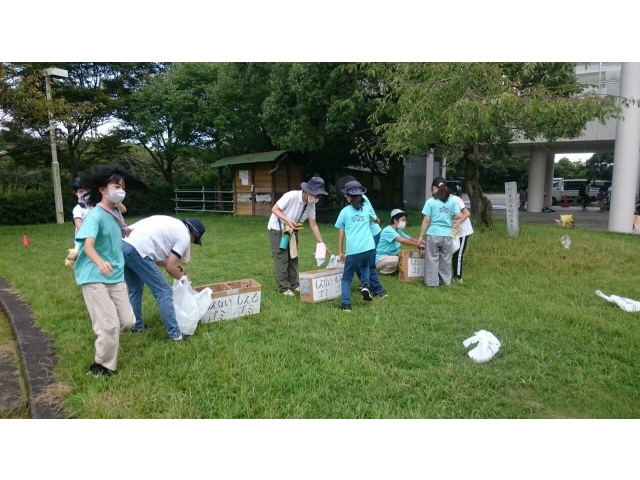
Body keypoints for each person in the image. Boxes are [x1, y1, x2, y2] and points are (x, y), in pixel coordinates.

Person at [74, 163, 149, 377]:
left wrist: (116, 198)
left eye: (123, 186)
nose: (121, 190)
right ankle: (101, 367)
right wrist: (99, 262)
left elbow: (121, 208)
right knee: (109, 325)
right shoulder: (95, 216)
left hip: (114, 274)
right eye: (116, 186)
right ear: (102, 189)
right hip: (94, 274)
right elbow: (87, 246)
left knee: (128, 321)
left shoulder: (115, 210)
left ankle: (107, 335)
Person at [122, 215, 206, 341]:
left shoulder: (174, 225)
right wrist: (181, 278)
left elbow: (155, 257)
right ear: (192, 235)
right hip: (138, 249)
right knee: (164, 292)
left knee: (135, 289)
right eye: (193, 241)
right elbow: (170, 268)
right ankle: (176, 335)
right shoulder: (184, 235)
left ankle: (137, 326)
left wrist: (172, 266)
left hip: (123, 245)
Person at [267, 177, 331, 296]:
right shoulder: (291, 196)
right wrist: (287, 220)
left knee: (293, 256)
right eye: (316, 195)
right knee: (282, 257)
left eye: (318, 196)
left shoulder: (311, 205)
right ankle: (284, 287)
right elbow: (274, 209)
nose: (317, 198)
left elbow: (313, 224)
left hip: (292, 230)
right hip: (278, 228)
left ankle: (293, 284)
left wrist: (321, 242)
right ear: (307, 192)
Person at [335, 180, 387, 312]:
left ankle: (346, 304)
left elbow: (341, 234)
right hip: (369, 247)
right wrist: (373, 219)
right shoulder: (367, 209)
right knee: (365, 266)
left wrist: (341, 252)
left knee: (347, 278)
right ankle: (365, 285)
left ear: (348, 197)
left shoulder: (344, 212)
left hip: (354, 250)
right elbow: (377, 220)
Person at [418, 177, 463, 287]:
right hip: (447, 234)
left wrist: (420, 236)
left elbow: (426, 219)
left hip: (433, 234)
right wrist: (448, 216)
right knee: (446, 259)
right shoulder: (451, 200)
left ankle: (432, 283)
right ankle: (446, 282)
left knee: (432, 259)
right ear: (445, 187)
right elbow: (459, 215)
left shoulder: (430, 201)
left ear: (434, 187)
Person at [375, 209, 424, 275]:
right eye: (403, 220)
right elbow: (401, 240)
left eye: (405, 220)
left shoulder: (398, 231)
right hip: (382, 258)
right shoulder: (388, 230)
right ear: (395, 220)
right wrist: (416, 245)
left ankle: (395, 269)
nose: (405, 222)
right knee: (397, 260)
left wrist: (421, 242)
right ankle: (383, 272)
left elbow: (410, 239)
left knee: (407, 259)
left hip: (392, 256)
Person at [354, 193, 382, 289]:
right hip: (363, 237)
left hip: (373, 234)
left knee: (368, 264)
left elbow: (377, 219)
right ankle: (366, 284)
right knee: (356, 262)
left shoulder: (362, 199)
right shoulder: (349, 207)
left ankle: (379, 290)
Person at [451, 195, 473, 283]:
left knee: (458, 254)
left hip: (462, 231)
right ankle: (453, 275)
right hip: (452, 231)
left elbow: (467, 213)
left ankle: (458, 277)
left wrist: (457, 223)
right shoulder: (440, 200)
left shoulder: (455, 199)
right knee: (452, 252)